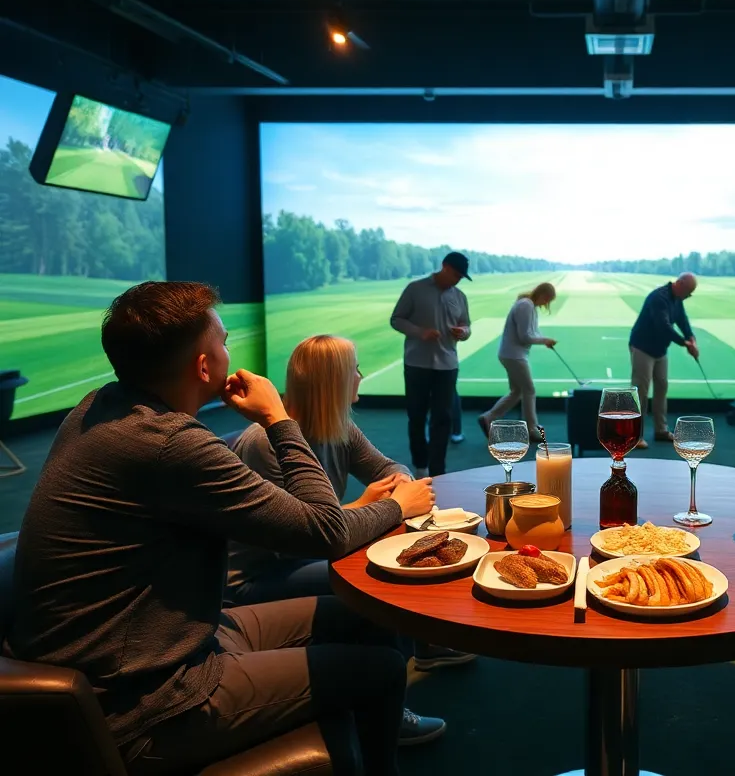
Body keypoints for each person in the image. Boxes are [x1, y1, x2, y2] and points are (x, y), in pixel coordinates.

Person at [2, 281, 437, 776]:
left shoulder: (99, 406)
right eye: (225, 340)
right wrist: (277, 416)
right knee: (380, 672)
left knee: (369, 615)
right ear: (204, 366)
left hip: (181, 637)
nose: (232, 351)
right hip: (147, 697)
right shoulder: (171, 444)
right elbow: (326, 531)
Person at [228, 334, 476, 672]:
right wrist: (362, 506)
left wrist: (399, 484)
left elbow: (387, 467)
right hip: (260, 574)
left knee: (388, 546)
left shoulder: (338, 425)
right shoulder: (265, 443)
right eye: (355, 369)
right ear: (334, 382)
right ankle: (399, 675)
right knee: (372, 569)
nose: (360, 375)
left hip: (310, 547)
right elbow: (292, 540)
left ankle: (422, 644)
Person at [390, 252, 472, 477]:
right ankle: (420, 465)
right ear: (444, 267)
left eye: (461, 277)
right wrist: (420, 332)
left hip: (447, 364)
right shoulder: (415, 289)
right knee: (416, 416)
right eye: (456, 274)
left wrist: (462, 332)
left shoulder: (459, 296)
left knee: (443, 419)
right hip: (417, 363)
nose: (458, 280)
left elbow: (466, 325)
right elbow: (396, 319)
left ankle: (438, 470)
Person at [478, 282, 558, 443]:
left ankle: (488, 417)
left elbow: (531, 332)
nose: (546, 303)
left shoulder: (528, 305)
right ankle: (531, 429)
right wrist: (545, 340)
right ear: (542, 295)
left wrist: (545, 341)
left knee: (517, 392)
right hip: (514, 355)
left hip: (512, 354)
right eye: (547, 299)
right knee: (529, 389)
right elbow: (525, 336)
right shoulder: (525, 306)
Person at [628, 272, 698, 449]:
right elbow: (663, 327)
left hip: (660, 350)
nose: (688, 297)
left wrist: (691, 338)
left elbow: (682, 320)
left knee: (661, 386)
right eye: (688, 292)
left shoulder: (677, 298)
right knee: (640, 392)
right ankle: (635, 436)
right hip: (642, 347)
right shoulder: (658, 298)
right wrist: (685, 344)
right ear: (680, 284)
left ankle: (661, 430)